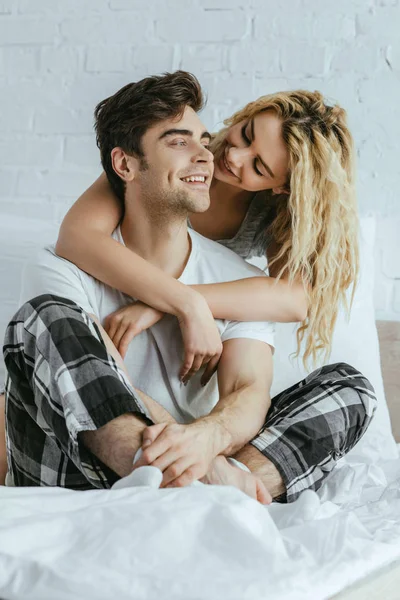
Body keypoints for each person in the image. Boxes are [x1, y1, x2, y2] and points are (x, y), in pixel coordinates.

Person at [2, 72, 376, 502]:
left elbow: (274, 339)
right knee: (45, 320)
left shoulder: (243, 277)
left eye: (258, 165)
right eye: (244, 135)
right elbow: (78, 245)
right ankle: (210, 489)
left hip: (174, 448)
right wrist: (198, 451)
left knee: (349, 388)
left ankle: (201, 483)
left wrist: (183, 306)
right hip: (91, 457)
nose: (224, 156)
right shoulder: (69, 259)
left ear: (279, 186)